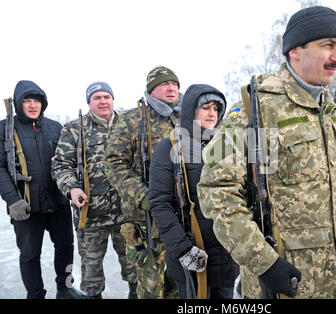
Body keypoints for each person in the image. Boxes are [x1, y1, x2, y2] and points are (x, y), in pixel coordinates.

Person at [197, 6, 336, 299]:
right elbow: (216, 195)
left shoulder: (332, 114)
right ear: (295, 51)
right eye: (328, 46)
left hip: (335, 282)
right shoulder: (252, 107)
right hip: (280, 286)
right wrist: (265, 264)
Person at [149, 84, 239, 299]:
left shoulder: (228, 146)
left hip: (227, 256)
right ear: (191, 110)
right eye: (206, 107)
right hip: (191, 255)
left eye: (216, 109)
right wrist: (182, 249)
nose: (212, 113)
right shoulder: (169, 147)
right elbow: (160, 203)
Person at [0, 80, 86, 299]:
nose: (32, 105)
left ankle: (65, 288)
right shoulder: (4, 129)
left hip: (57, 202)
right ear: (18, 104)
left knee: (66, 247)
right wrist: (12, 200)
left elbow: (68, 161)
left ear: (43, 103)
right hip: (25, 205)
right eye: (26, 101)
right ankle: (35, 295)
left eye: (36, 101)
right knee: (30, 255)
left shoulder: (55, 127)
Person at [51, 81, 137, 299]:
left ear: (113, 100)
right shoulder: (74, 129)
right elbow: (60, 164)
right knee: (91, 276)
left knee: (135, 268)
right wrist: (71, 189)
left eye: (107, 97)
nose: (103, 101)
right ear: (89, 102)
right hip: (89, 215)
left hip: (127, 213)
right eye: (97, 97)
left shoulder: (129, 125)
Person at [105, 66, 182, 299]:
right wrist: (143, 196)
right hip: (146, 220)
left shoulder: (186, 117)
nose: (171, 89)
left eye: (175, 84)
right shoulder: (131, 119)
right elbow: (113, 164)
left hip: (182, 219)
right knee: (151, 288)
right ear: (151, 90)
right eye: (164, 85)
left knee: (181, 284)